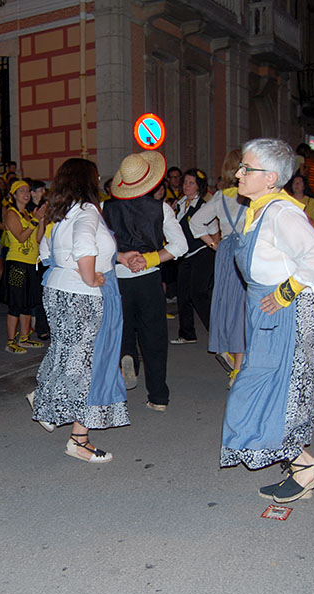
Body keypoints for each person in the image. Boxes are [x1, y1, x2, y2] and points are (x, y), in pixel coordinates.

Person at [220, 138, 314, 504]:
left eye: (246, 168)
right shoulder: (260, 210)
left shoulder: (282, 213)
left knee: (266, 391)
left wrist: (286, 292)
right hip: (267, 312)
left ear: (269, 178)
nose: (238, 173)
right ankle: (298, 469)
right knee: (270, 391)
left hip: (286, 313)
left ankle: (305, 465)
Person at [32, 158, 135, 462]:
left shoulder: (63, 212)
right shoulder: (88, 211)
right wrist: (91, 276)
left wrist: (118, 258)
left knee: (65, 353)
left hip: (58, 289)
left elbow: (47, 251)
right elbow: (84, 247)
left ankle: (46, 401)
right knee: (87, 364)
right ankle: (79, 439)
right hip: (82, 295)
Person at [103, 151, 187, 412]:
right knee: (154, 337)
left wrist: (120, 258)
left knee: (122, 329)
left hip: (118, 278)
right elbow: (180, 246)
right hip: (149, 279)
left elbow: (98, 246)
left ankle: (127, 357)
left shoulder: (106, 209)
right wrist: (149, 259)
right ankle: (158, 396)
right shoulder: (160, 209)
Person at [197, 150, 245, 386]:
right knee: (243, 306)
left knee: (227, 304)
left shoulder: (219, 198)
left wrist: (215, 244)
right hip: (246, 250)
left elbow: (196, 223)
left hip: (226, 252)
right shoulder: (250, 196)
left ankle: (229, 351)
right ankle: (238, 367)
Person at [0, 180, 46, 352]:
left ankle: (25, 337)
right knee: (16, 303)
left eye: (27, 191)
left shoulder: (28, 214)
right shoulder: (12, 214)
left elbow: (38, 238)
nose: (26, 194)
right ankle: (11, 340)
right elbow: (20, 237)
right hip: (16, 264)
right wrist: (35, 219)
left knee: (28, 302)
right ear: (14, 195)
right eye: (21, 191)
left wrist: (40, 221)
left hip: (31, 263)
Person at [170, 168, 215, 346]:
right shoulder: (179, 204)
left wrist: (215, 247)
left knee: (198, 293)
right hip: (185, 254)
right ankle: (187, 333)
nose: (186, 186)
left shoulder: (203, 206)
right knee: (183, 294)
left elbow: (213, 231)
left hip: (202, 252)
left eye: (191, 183)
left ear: (199, 187)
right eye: (185, 182)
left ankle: (216, 331)